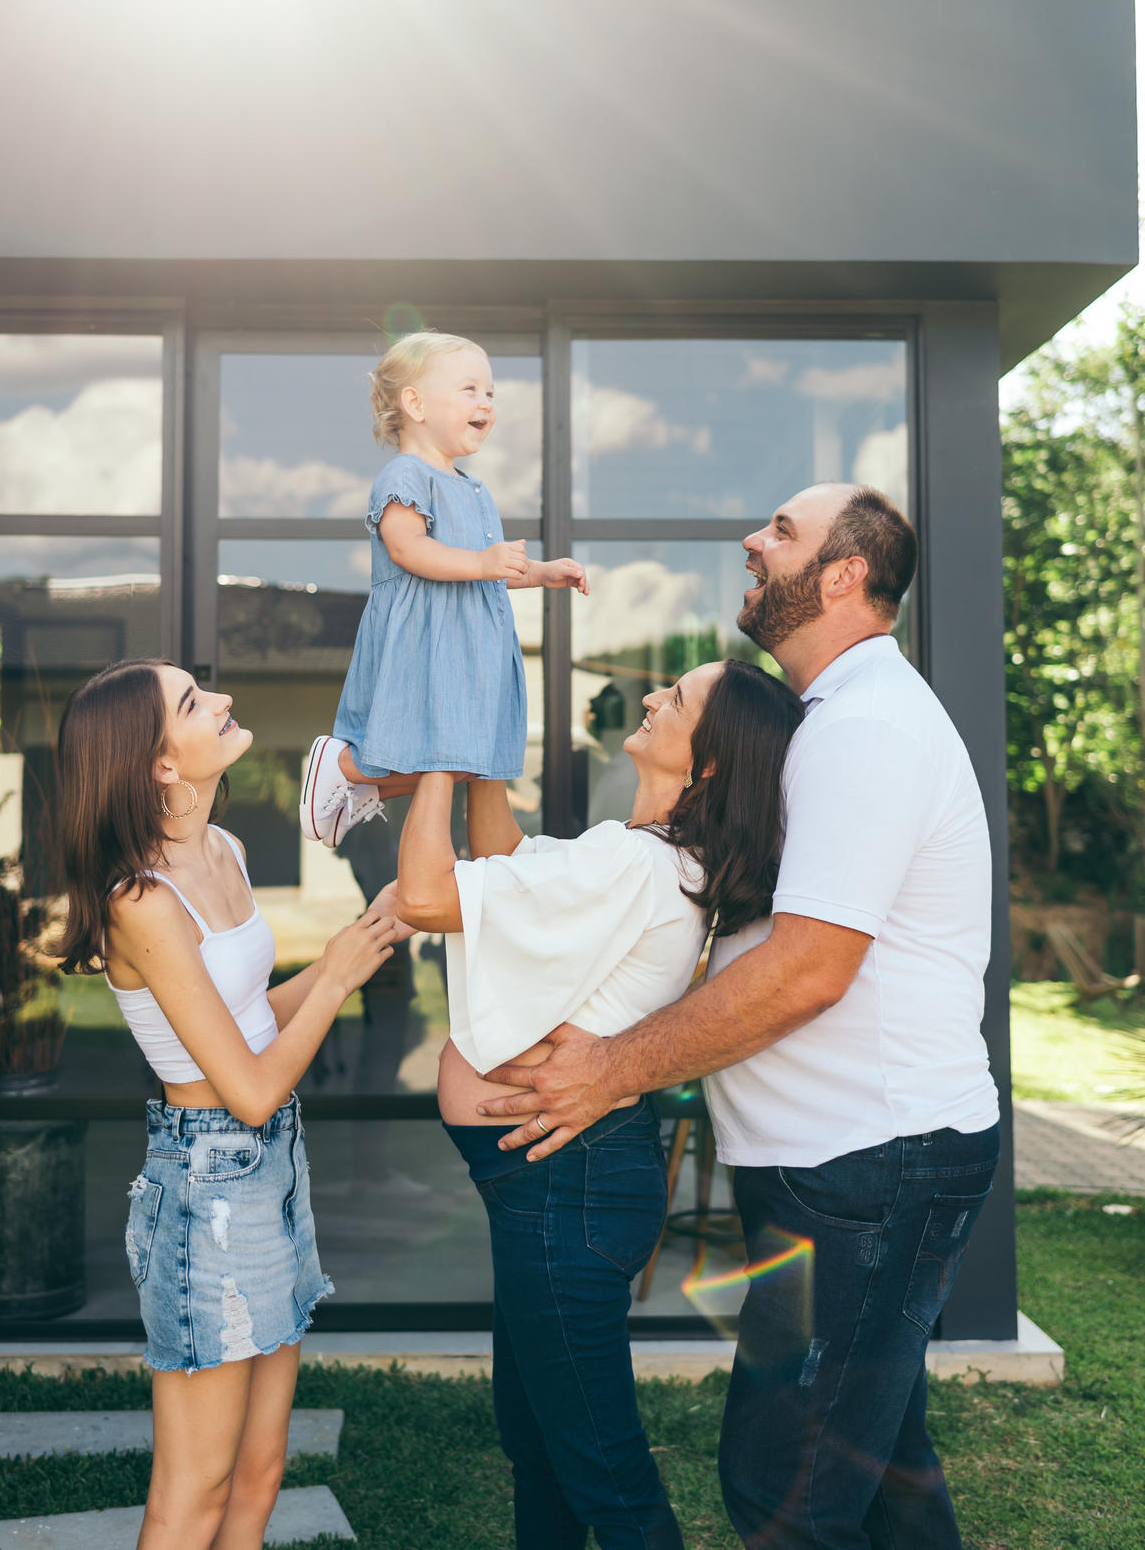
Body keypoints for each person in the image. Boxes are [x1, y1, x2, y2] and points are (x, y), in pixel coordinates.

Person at [478, 483, 1002, 1550]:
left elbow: (808, 972)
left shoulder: (867, 729)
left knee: (783, 1486)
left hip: (872, 1170)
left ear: (844, 575)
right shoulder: (829, 722)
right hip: (836, 1167)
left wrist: (610, 1068)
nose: (754, 542)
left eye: (782, 532)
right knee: (880, 1469)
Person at [394, 658, 805, 1550]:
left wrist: (437, 758)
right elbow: (506, 862)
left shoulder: (637, 862)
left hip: (566, 1191)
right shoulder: (644, 854)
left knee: (603, 1471)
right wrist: (484, 749)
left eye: (677, 698)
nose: (651, 696)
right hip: (559, 1186)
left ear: (706, 763)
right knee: (540, 1446)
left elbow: (426, 897)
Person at [55, 658, 401, 1550]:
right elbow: (246, 1089)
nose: (222, 701)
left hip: (275, 1164)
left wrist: (350, 947)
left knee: (260, 1470)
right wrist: (338, 981)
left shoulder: (225, 850)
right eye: (193, 701)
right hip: (207, 1186)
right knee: (193, 1497)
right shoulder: (141, 902)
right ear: (160, 763)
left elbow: (252, 1022)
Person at [299, 330, 587, 845]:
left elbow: (488, 568)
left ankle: (368, 791)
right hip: (428, 643)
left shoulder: (474, 490)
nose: (486, 403)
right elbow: (407, 547)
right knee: (427, 751)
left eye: (490, 393)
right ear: (415, 404)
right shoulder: (406, 475)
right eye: (470, 390)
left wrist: (541, 572)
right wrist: (481, 561)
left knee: (470, 761)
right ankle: (344, 766)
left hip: (473, 650)